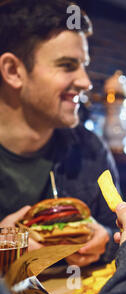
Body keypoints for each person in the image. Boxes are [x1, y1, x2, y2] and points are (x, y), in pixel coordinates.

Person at [0, 0, 118, 267]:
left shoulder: (92, 151)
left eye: (84, 65)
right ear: (13, 71)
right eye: (67, 65)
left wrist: (106, 241)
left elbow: (121, 232)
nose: (86, 82)